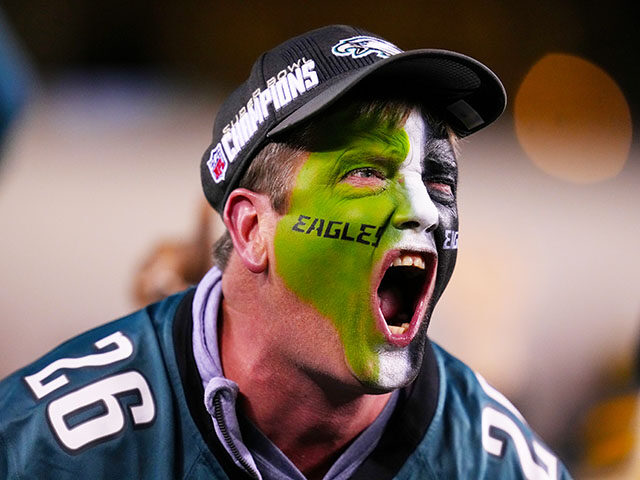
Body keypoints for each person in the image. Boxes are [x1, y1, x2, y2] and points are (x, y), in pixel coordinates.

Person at [0, 25, 572, 479]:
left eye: (439, 181)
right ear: (251, 228)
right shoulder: (44, 448)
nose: (424, 210)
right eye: (368, 173)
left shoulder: (491, 460)